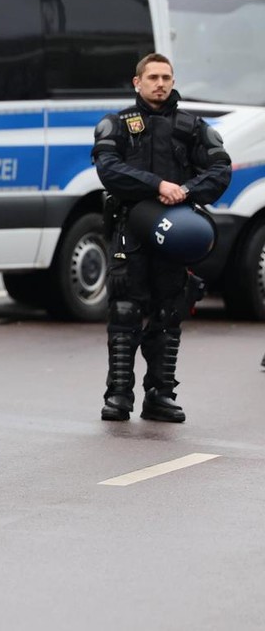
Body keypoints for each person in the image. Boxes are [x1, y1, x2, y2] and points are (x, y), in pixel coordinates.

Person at [93, 53, 231, 422]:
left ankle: (160, 394)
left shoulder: (192, 127)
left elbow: (220, 170)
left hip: (174, 232)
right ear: (136, 82)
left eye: (166, 77)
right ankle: (119, 395)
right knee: (125, 312)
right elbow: (109, 170)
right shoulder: (117, 124)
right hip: (131, 232)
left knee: (169, 312)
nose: (160, 83)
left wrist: (185, 190)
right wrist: (158, 185)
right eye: (152, 77)